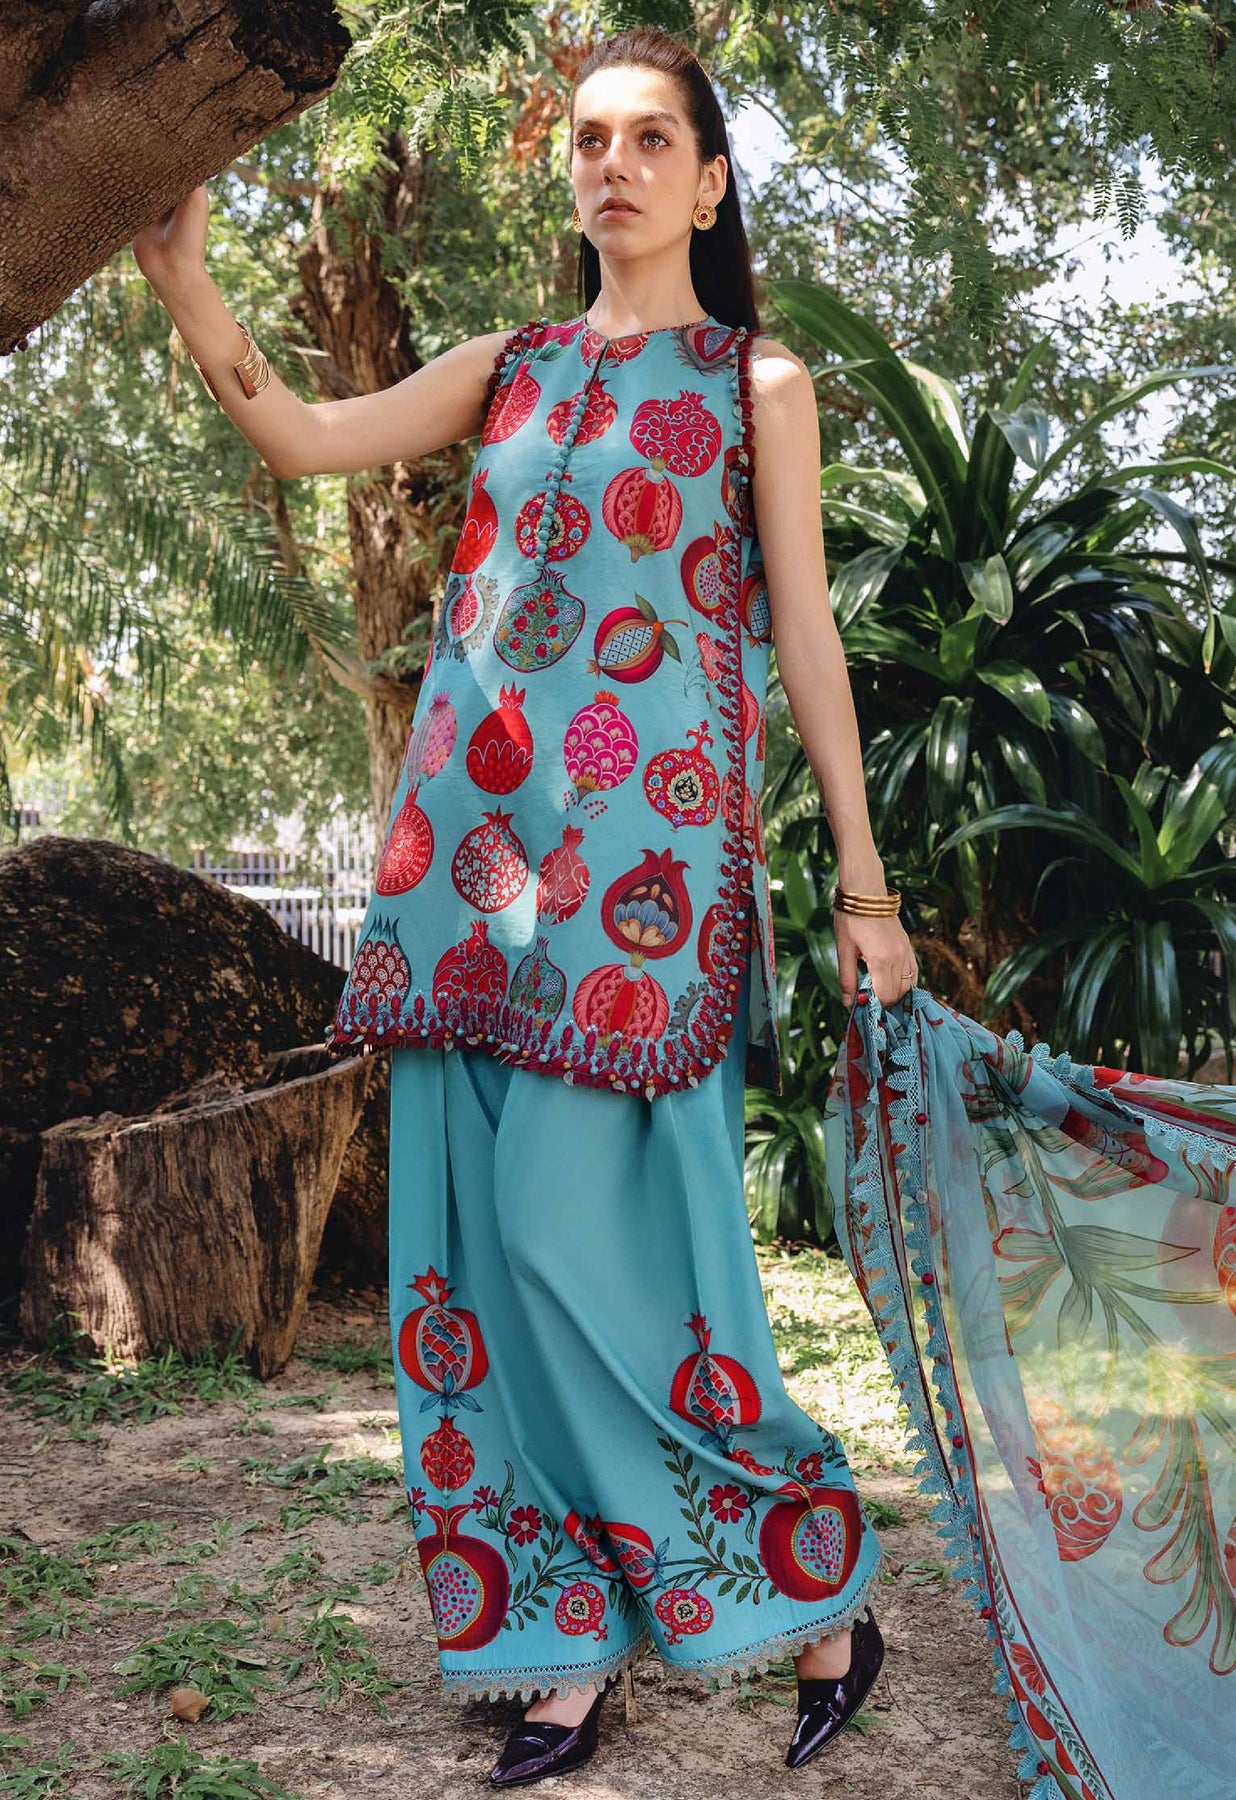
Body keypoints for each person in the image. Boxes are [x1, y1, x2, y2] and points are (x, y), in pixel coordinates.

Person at [133, 24, 915, 1786]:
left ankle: (814, 1586)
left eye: (650, 140)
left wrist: (863, 886)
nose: (612, 165)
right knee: (474, 1265)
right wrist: (187, 280)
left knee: (582, 1242)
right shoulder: (510, 367)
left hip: (640, 891)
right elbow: (304, 437)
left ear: (708, 185)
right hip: (465, 876)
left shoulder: (754, 384)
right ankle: (558, 1649)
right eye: (588, 139)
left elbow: (802, 637)